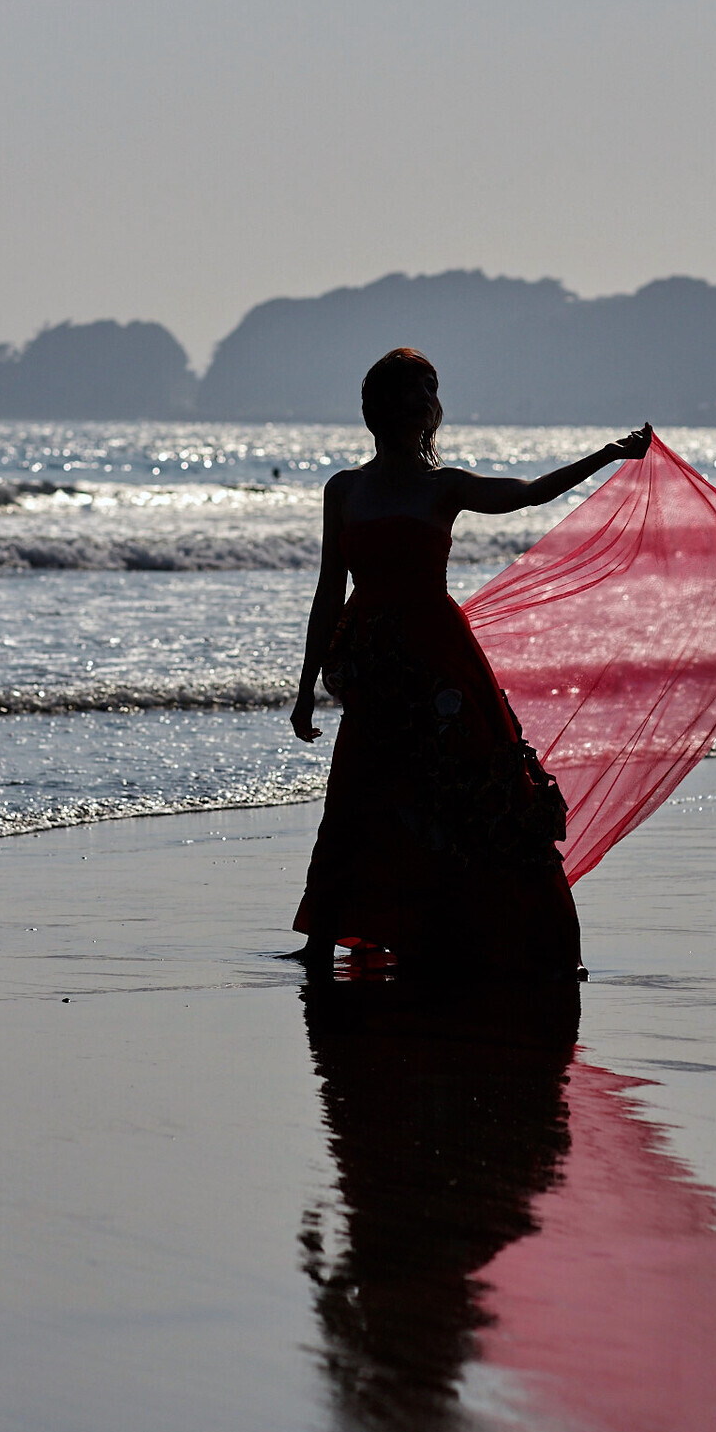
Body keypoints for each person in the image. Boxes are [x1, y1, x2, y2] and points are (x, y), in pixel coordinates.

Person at [290, 347, 650, 976]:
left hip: (440, 663)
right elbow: (329, 590)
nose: (422, 402)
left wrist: (606, 456)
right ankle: (323, 940)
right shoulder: (343, 489)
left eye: (429, 391)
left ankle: (481, 937)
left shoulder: (445, 486)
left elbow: (530, 494)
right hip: (375, 669)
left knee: (467, 792)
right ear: (378, 407)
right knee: (355, 795)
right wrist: (303, 691)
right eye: (411, 391)